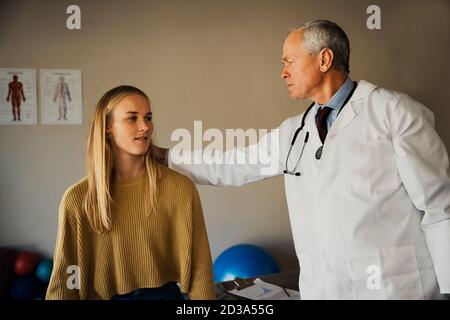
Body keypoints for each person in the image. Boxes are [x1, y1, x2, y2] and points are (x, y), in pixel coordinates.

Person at [155, 20, 450, 299]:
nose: (283, 72)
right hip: (323, 288)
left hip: (395, 287)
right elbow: (233, 165)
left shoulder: (395, 112)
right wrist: (164, 157)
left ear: (324, 60)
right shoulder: (293, 131)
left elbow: (440, 207)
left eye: (289, 61)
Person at [46, 85, 215, 300]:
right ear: (108, 126)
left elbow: (200, 268)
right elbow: (65, 278)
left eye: (148, 117)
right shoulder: (77, 199)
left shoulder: (181, 189)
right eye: (132, 118)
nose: (145, 126)